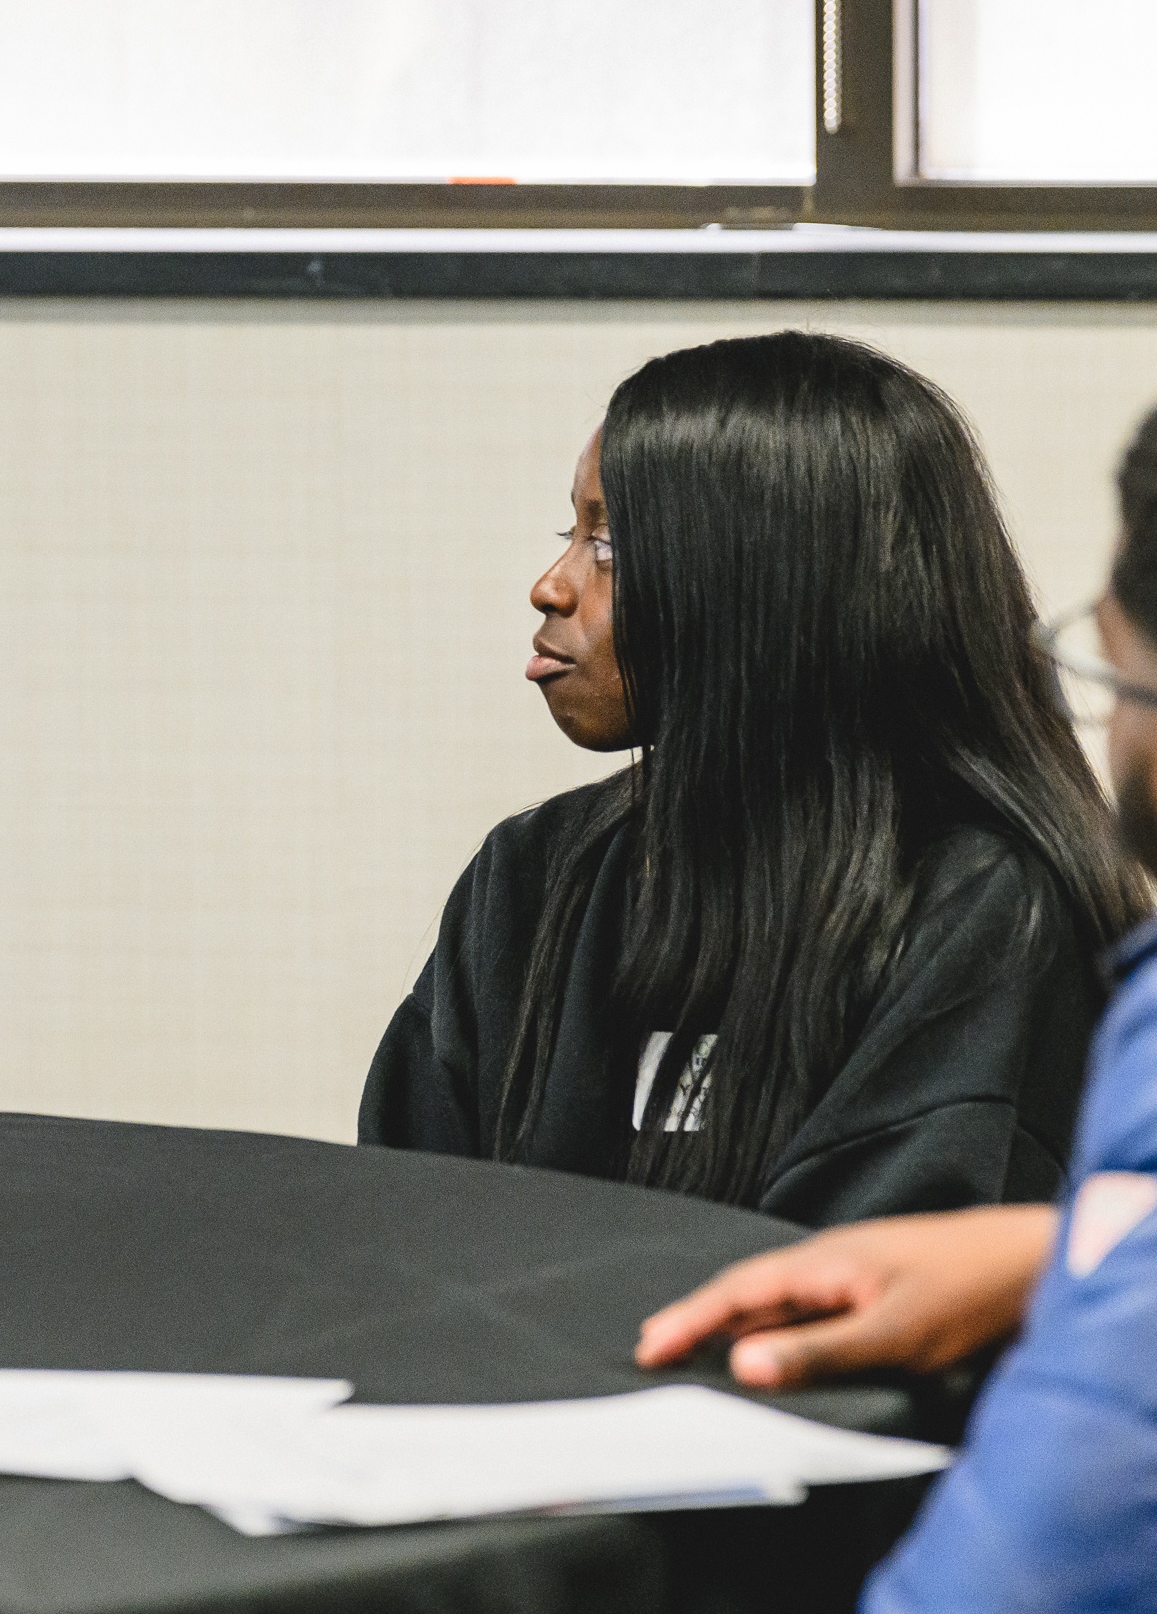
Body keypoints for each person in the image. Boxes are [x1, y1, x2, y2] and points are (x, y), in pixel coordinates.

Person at [360, 332, 1134, 1225]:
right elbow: (397, 1228)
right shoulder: (530, 874)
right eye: (568, 535)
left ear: (769, 581)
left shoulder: (982, 907)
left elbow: (866, 1290)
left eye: (606, 545)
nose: (551, 587)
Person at [637, 402, 1157, 1611]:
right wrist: (1056, 1256)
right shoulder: (532, 874)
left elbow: (1035, 1556)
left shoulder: (994, 908)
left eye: (1118, 672)